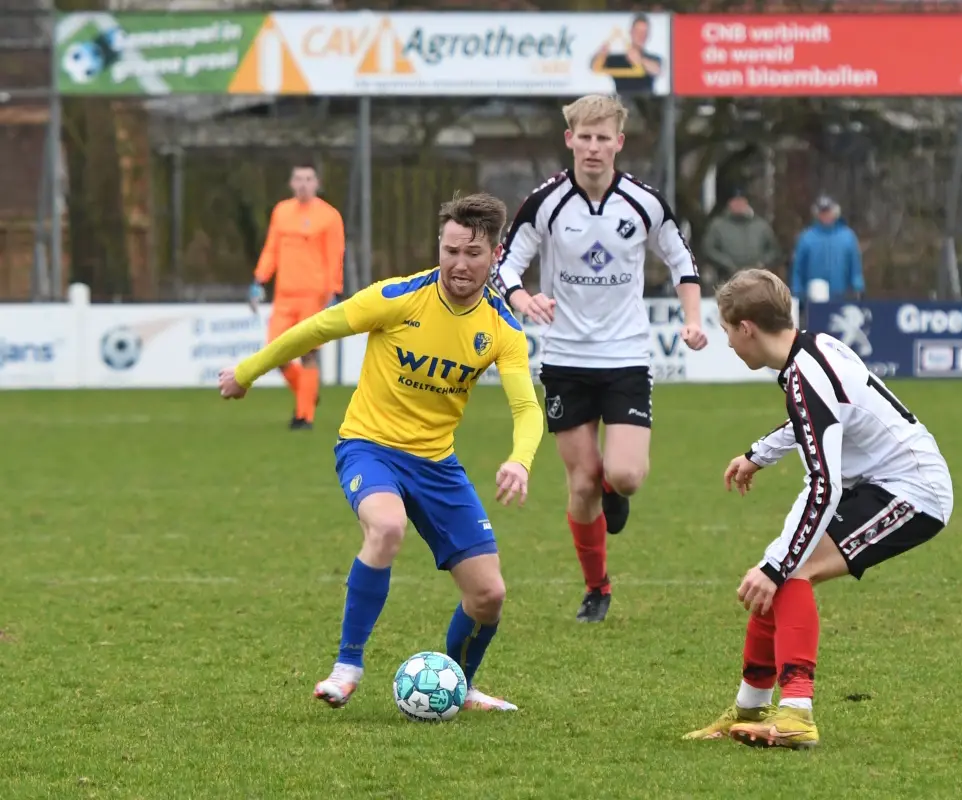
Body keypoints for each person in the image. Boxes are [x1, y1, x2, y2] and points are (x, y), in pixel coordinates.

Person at [219, 192, 543, 712]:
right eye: (451, 250)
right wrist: (246, 372)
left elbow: (526, 407)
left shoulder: (501, 327)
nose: (460, 264)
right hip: (369, 448)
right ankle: (347, 666)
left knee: (489, 596)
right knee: (387, 527)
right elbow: (317, 327)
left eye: (473, 253)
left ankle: (457, 686)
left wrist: (519, 459)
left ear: (495, 255)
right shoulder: (399, 297)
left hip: (437, 464)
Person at [683, 268, 953, 749]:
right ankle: (750, 709)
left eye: (727, 330)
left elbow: (823, 486)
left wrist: (777, 565)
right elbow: (813, 419)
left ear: (747, 328)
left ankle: (796, 713)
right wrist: (759, 454)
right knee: (780, 566)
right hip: (881, 482)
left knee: (789, 570)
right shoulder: (812, 349)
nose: (728, 342)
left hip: (913, 492)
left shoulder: (806, 374)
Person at [490, 93, 707, 624]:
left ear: (618, 143)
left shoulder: (644, 202)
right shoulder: (544, 202)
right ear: (570, 140)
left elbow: (682, 259)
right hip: (565, 359)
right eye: (583, 137)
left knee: (624, 475)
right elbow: (506, 266)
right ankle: (597, 587)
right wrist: (523, 298)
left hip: (626, 355)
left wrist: (694, 319)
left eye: (602, 138)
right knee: (582, 481)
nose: (592, 147)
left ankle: (616, 489)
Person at [249, 161, 345, 430]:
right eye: (299, 179)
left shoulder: (329, 216)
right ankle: (307, 392)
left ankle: (304, 417)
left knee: (308, 353)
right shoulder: (281, 212)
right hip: (284, 295)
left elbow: (335, 255)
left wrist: (334, 291)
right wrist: (259, 280)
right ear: (291, 183)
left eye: (308, 179)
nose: (303, 184)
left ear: (317, 184)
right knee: (274, 353)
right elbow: (271, 249)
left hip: (313, 296)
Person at [700, 188, 783, 289]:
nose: (738, 204)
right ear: (729, 203)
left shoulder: (761, 226)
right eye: (735, 201)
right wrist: (726, 263)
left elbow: (774, 250)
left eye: (741, 201)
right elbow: (709, 249)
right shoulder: (717, 226)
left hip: (757, 282)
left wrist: (761, 263)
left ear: (746, 203)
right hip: (727, 281)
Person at [789, 195, 863, 304]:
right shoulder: (806, 238)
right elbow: (798, 270)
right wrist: (797, 293)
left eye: (828, 212)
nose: (825, 216)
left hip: (842, 298)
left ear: (835, 212)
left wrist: (858, 288)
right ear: (817, 214)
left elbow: (855, 267)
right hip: (813, 300)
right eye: (822, 212)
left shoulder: (848, 237)